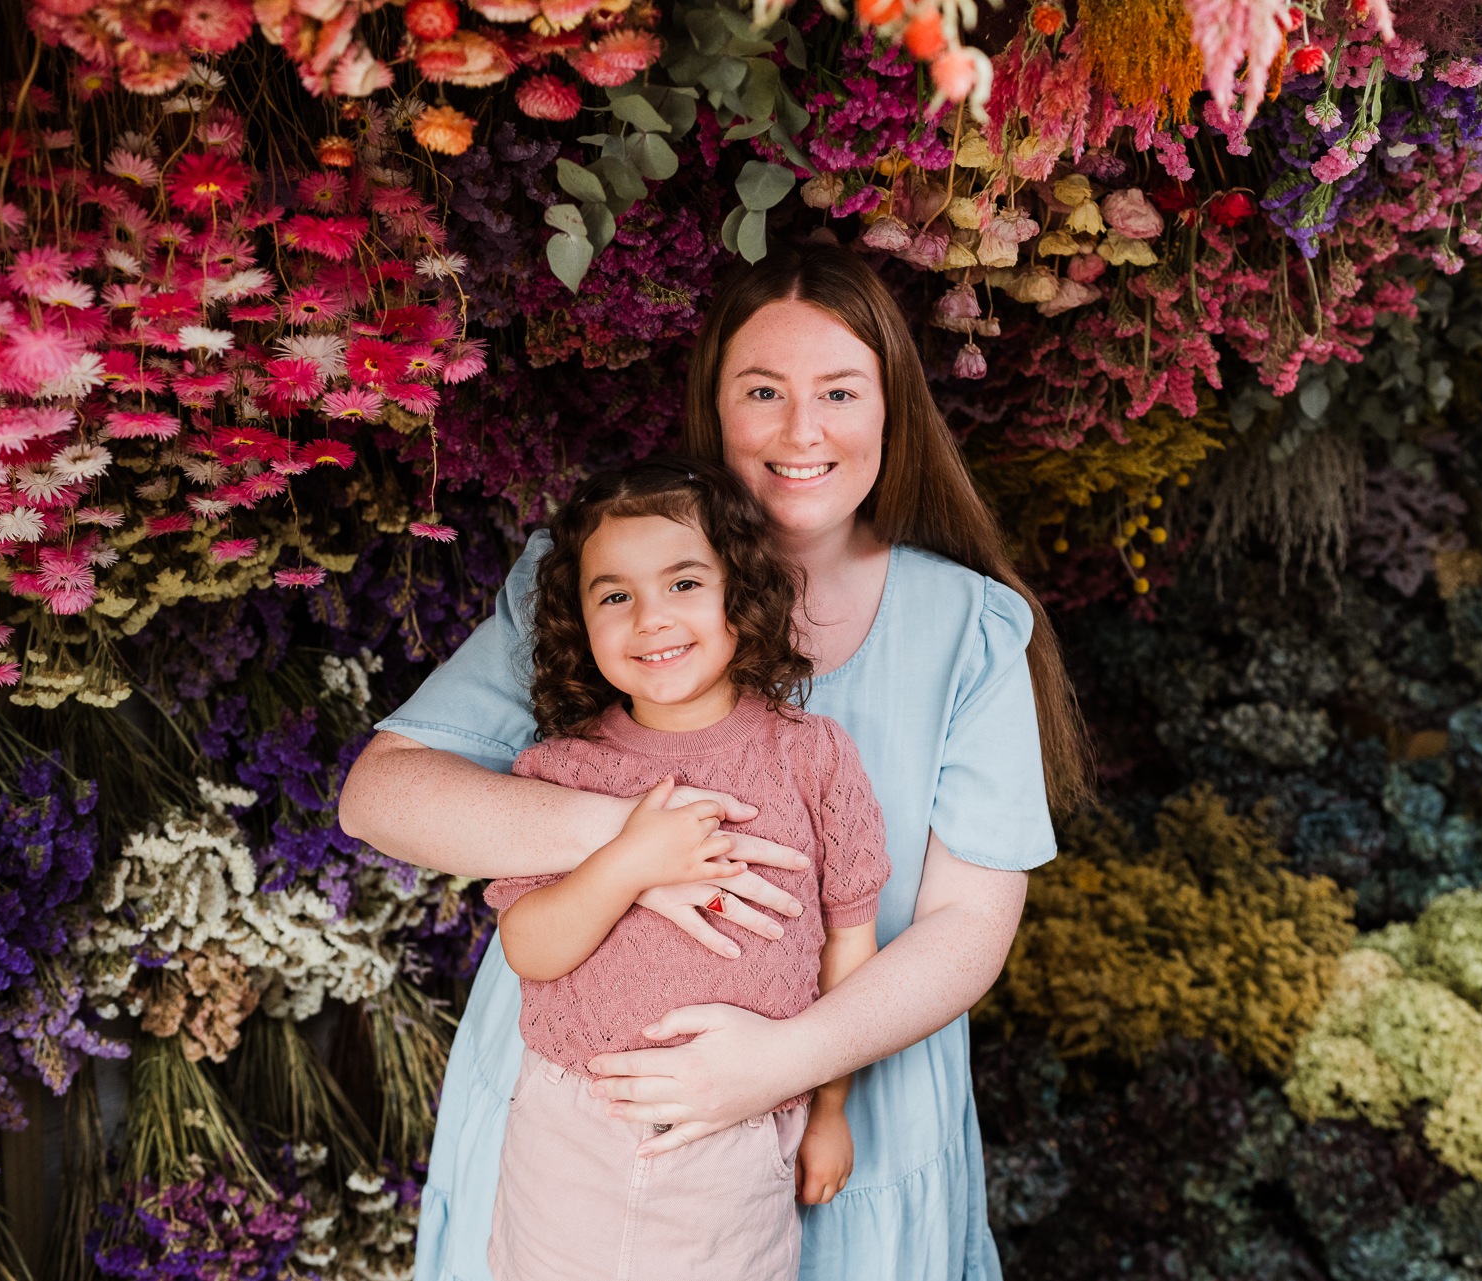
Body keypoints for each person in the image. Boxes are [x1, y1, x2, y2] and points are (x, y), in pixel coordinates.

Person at [340, 240, 1092, 1281]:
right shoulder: (600, 586)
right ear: (714, 407)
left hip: (849, 1120)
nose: (802, 430)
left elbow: (969, 929)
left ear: (892, 410)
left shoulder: (966, 629)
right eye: (763, 391)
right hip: (581, 1129)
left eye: (839, 390)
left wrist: (784, 1066)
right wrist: (635, 840)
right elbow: (382, 797)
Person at [483, 456, 888, 1280]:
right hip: (571, 1128)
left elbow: (851, 947)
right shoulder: (558, 769)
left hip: (736, 1144)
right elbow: (529, 946)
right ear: (580, 620)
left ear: (741, 589)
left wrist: (831, 1106)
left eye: (683, 582)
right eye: (615, 595)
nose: (650, 618)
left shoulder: (812, 758)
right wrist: (628, 861)